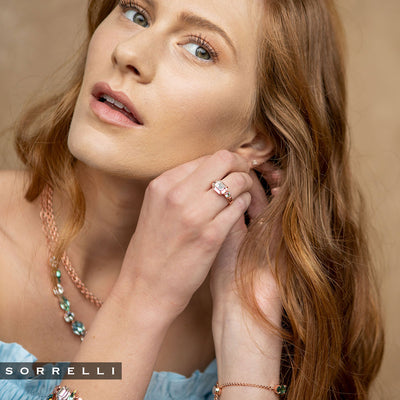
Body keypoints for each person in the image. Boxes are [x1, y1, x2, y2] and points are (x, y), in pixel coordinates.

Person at [0, 0, 385, 399]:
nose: (128, 52)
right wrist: (142, 298)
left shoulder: (270, 313)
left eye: (200, 49)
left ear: (256, 139)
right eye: (136, 14)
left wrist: (245, 333)